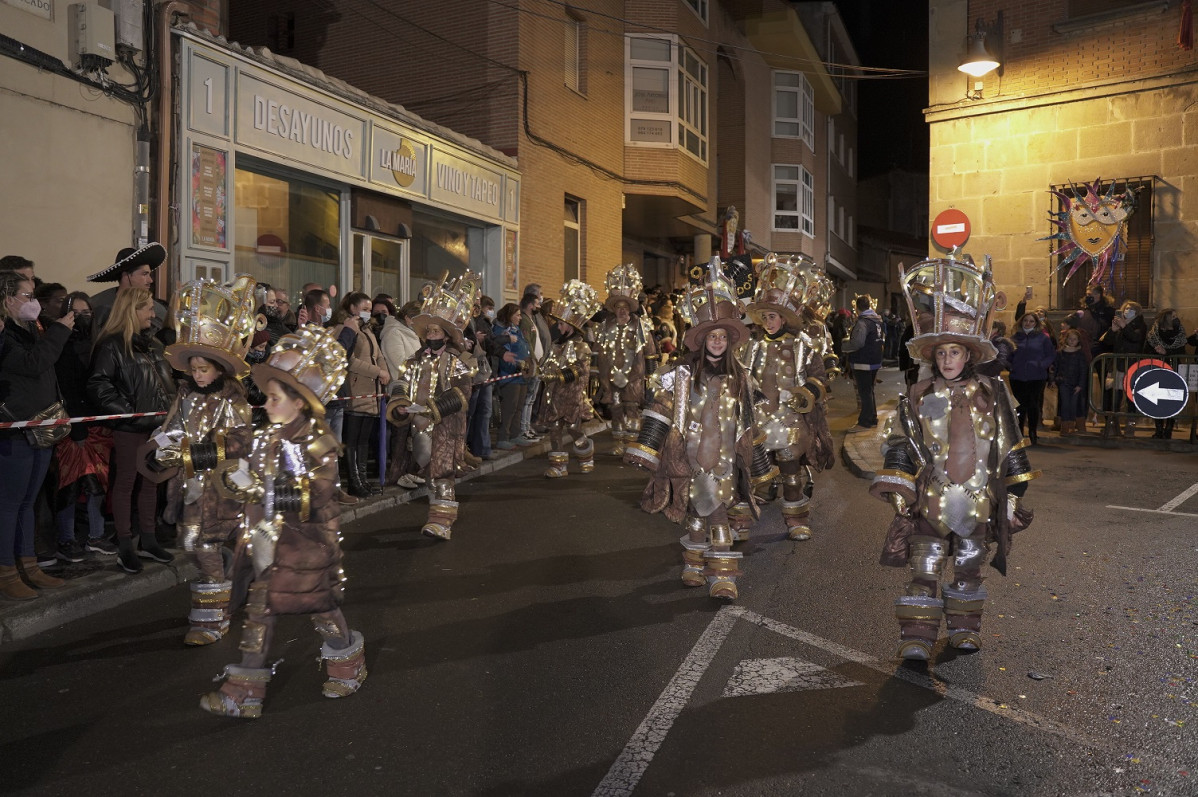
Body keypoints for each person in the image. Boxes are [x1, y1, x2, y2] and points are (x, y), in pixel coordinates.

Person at [870, 255, 1038, 660]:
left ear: (969, 356)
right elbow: (902, 443)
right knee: (924, 567)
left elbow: (1009, 444)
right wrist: (899, 488)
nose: (948, 360)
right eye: (941, 353)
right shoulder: (918, 394)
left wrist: (1013, 494)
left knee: (968, 566)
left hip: (978, 500)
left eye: (955, 353)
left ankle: (964, 629)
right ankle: (917, 636)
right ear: (933, 357)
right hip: (931, 499)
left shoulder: (993, 393)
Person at [200, 326, 366, 718]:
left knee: (320, 608)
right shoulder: (267, 436)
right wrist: (202, 459)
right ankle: (244, 691)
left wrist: (263, 492)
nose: (267, 403)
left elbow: (320, 491)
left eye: (275, 397)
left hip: (308, 545)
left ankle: (347, 659)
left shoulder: (318, 440)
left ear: (299, 401)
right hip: (267, 545)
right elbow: (234, 451)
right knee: (260, 612)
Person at [625, 258, 765, 600]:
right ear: (701, 340)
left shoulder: (742, 377)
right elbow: (659, 408)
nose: (717, 342)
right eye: (711, 336)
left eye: (722, 336)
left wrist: (758, 465)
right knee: (700, 514)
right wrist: (645, 448)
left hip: (726, 461)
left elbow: (750, 424)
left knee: (714, 513)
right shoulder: (681, 373)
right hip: (688, 457)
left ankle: (712, 571)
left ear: (729, 340)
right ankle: (703, 567)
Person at [139, 276, 256, 645]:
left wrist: (196, 453)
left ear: (220, 369)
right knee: (192, 543)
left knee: (209, 545)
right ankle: (232, 590)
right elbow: (171, 428)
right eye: (194, 369)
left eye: (204, 369)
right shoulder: (186, 395)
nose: (197, 374)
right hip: (189, 487)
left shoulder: (233, 401)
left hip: (223, 486)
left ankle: (212, 619)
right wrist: (163, 447)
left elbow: (241, 441)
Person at [87, 286, 177, 573]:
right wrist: (127, 410)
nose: (153, 313)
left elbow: (165, 381)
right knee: (126, 483)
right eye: (148, 308)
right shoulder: (112, 345)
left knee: (151, 481)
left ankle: (148, 539)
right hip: (130, 427)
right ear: (132, 310)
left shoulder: (152, 345)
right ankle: (125, 544)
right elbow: (98, 385)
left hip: (156, 427)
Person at [744, 254, 834, 541]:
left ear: (784, 318)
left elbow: (818, 376)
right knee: (752, 474)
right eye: (765, 317)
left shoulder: (801, 346)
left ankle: (796, 520)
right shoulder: (751, 346)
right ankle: (741, 520)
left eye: (773, 316)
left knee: (791, 474)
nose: (768, 322)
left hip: (789, 422)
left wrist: (808, 392)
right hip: (757, 420)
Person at [385, 273, 477, 539]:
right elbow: (402, 382)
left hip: (447, 425)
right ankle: (438, 511)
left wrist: (436, 408)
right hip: (420, 424)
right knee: (428, 468)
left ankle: (441, 522)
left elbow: (462, 393)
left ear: (446, 335)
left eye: (437, 331)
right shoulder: (415, 360)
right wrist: (401, 403)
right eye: (429, 331)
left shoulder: (457, 360)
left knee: (442, 470)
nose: (431, 335)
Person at [0, 270, 74, 600]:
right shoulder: (5, 336)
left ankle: (29, 566)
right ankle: (5, 571)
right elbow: (33, 363)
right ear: (7, 300)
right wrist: (59, 331)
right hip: (15, 431)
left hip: (41, 427)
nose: (34, 303)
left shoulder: (29, 328)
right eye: (28, 296)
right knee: (9, 504)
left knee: (28, 502)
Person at [51, 292, 116, 562]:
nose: (82, 318)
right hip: (73, 427)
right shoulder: (61, 347)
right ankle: (66, 539)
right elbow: (65, 388)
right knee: (70, 485)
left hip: (98, 428)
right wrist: (76, 428)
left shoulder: (96, 344)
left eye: (86, 312)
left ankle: (96, 536)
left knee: (96, 484)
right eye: (76, 313)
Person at [537, 280, 600, 478]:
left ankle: (586, 455)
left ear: (571, 327)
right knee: (555, 429)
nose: (558, 326)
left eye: (562, 324)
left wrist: (557, 375)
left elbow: (580, 370)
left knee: (574, 430)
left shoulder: (582, 347)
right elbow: (548, 365)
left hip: (572, 396)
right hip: (555, 395)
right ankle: (559, 466)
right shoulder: (556, 346)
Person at [596, 264, 658, 457]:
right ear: (613, 309)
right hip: (611, 377)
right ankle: (618, 442)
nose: (622, 311)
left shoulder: (639, 325)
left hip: (633, 376)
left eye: (625, 307)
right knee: (615, 409)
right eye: (618, 307)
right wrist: (599, 375)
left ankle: (631, 444)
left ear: (630, 308)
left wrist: (651, 375)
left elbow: (650, 350)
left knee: (631, 409)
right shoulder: (606, 326)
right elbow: (598, 351)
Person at [332, 292, 390, 497]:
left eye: (369, 309)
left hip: (372, 391)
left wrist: (385, 372)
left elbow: (378, 355)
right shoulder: (345, 329)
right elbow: (349, 360)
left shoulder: (368, 330)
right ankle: (354, 482)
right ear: (352, 309)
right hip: (357, 389)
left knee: (364, 440)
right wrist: (377, 372)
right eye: (364, 309)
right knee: (353, 440)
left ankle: (363, 480)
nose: (368, 313)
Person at [380, 300, 424, 489]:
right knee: (400, 432)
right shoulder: (393, 333)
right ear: (408, 318)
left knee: (409, 434)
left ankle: (408, 470)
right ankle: (396, 473)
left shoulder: (412, 333)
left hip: (415, 386)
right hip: (400, 389)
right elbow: (399, 361)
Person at [87, 243, 168, 339]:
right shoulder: (97, 305)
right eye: (144, 274)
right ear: (126, 276)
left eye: (149, 274)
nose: (150, 280)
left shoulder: (158, 311)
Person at [1100, 300, 1147, 436]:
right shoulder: (1120, 324)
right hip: (1117, 365)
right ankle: (1112, 425)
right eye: (1126, 308)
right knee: (1114, 396)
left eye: (1131, 309)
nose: (1127, 311)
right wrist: (1113, 330)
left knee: (1130, 397)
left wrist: (1124, 326)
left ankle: (1130, 426)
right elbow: (1106, 342)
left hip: (1131, 365)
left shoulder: (1140, 325)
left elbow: (1135, 338)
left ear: (1137, 312)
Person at [1009, 312, 1055, 445]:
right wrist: (1011, 366)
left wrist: (1041, 365)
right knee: (1019, 405)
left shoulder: (1043, 338)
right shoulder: (1014, 338)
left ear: (1036, 324)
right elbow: (1008, 355)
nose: (1028, 323)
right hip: (1017, 377)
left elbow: (1051, 354)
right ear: (1021, 322)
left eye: (1031, 321)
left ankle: (1033, 432)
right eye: (1025, 321)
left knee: (1033, 404)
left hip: (1036, 376)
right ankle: (1019, 432)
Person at [491, 303, 530, 451]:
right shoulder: (503, 332)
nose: (520, 318)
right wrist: (515, 365)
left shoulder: (516, 330)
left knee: (519, 406)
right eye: (517, 315)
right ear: (509, 315)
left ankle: (515, 434)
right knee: (509, 407)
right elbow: (503, 353)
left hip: (521, 375)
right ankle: (503, 437)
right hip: (510, 376)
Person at [465, 293, 499, 462]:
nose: (477, 305)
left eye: (478, 301)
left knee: (484, 410)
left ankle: (482, 449)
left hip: (483, 369)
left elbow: (491, 342)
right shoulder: (464, 320)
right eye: (474, 301)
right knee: (469, 413)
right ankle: (464, 450)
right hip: (470, 371)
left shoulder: (479, 319)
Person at [842, 295, 883, 431]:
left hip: (863, 360)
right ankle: (872, 418)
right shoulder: (877, 321)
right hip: (874, 359)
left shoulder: (862, 322)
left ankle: (864, 422)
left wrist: (844, 346)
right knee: (869, 391)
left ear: (856, 307)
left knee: (864, 392)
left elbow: (858, 343)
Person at [1147, 308, 1187, 438]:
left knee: (1172, 400)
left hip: (1174, 369)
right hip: (1158, 369)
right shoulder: (1153, 334)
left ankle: (1169, 428)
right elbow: (1145, 351)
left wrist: (1167, 353)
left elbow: (1182, 352)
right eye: (1173, 316)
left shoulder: (1180, 334)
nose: (1176, 319)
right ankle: (1159, 428)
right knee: (1157, 400)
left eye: (1176, 316)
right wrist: (1157, 352)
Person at [517, 288, 549, 444]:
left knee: (531, 399)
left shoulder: (531, 320)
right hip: (532, 364)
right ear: (530, 305)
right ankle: (523, 429)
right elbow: (527, 342)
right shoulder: (524, 320)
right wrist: (532, 361)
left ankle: (527, 427)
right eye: (537, 303)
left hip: (537, 364)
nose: (539, 306)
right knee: (527, 399)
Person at [1055, 327, 1090, 435]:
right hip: (1064, 383)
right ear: (1066, 339)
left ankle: (1072, 424)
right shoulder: (1060, 353)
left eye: (1074, 339)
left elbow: (1083, 370)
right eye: (1070, 339)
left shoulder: (1080, 354)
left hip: (1076, 384)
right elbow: (1056, 367)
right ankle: (1065, 426)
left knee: (1074, 404)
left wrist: (1080, 384)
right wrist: (1054, 379)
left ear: (1078, 340)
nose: (1072, 341)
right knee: (1065, 404)